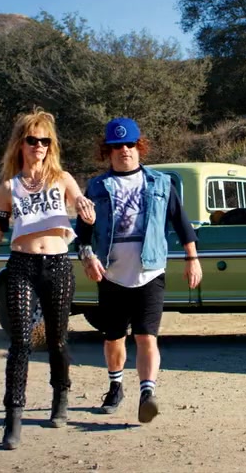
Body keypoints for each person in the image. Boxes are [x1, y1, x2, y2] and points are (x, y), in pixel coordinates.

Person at [0, 108, 96, 450]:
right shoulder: (8, 188)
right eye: (32, 140)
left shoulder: (62, 179)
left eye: (45, 141)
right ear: (20, 144)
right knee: (21, 343)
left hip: (57, 265)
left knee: (57, 339)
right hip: (22, 265)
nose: (39, 146)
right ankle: (13, 418)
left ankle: (61, 396)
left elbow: (81, 203)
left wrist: (87, 210)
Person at [74, 116, 202, 425]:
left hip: (150, 272)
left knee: (146, 337)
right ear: (108, 151)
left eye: (130, 144)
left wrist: (192, 258)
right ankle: (115, 387)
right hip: (111, 274)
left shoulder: (160, 182)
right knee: (114, 338)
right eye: (117, 146)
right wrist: (88, 257)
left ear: (139, 147)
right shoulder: (97, 187)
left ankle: (148, 393)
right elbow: (83, 232)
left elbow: (180, 221)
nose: (125, 150)